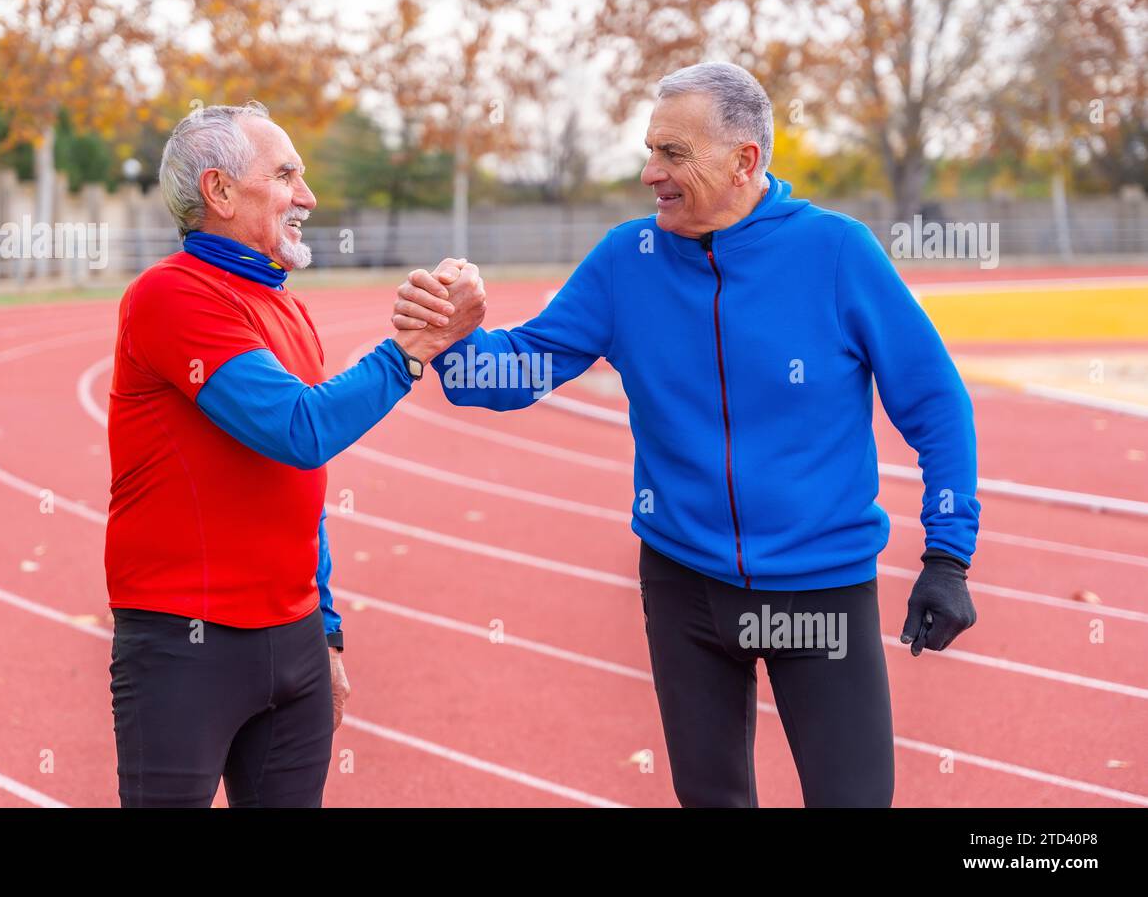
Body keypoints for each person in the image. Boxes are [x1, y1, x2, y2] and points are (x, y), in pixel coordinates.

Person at [393, 63, 979, 807]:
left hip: (820, 590)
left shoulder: (837, 253)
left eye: (673, 154)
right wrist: (454, 341)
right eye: (650, 151)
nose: (650, 173)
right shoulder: (625, 260)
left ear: (745, 162)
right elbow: (522, 369)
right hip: (684, 586)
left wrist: (948, 557)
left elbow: (936, 403)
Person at [104, 101, 484, 807]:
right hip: (189, 645)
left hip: (296, 642)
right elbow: (298, 429)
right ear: (219, 191)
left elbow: (301, 481)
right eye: (286, 176)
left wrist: (327, 629)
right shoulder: (169, 296)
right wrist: (411, 351)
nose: (307, 197)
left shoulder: (282, 303)